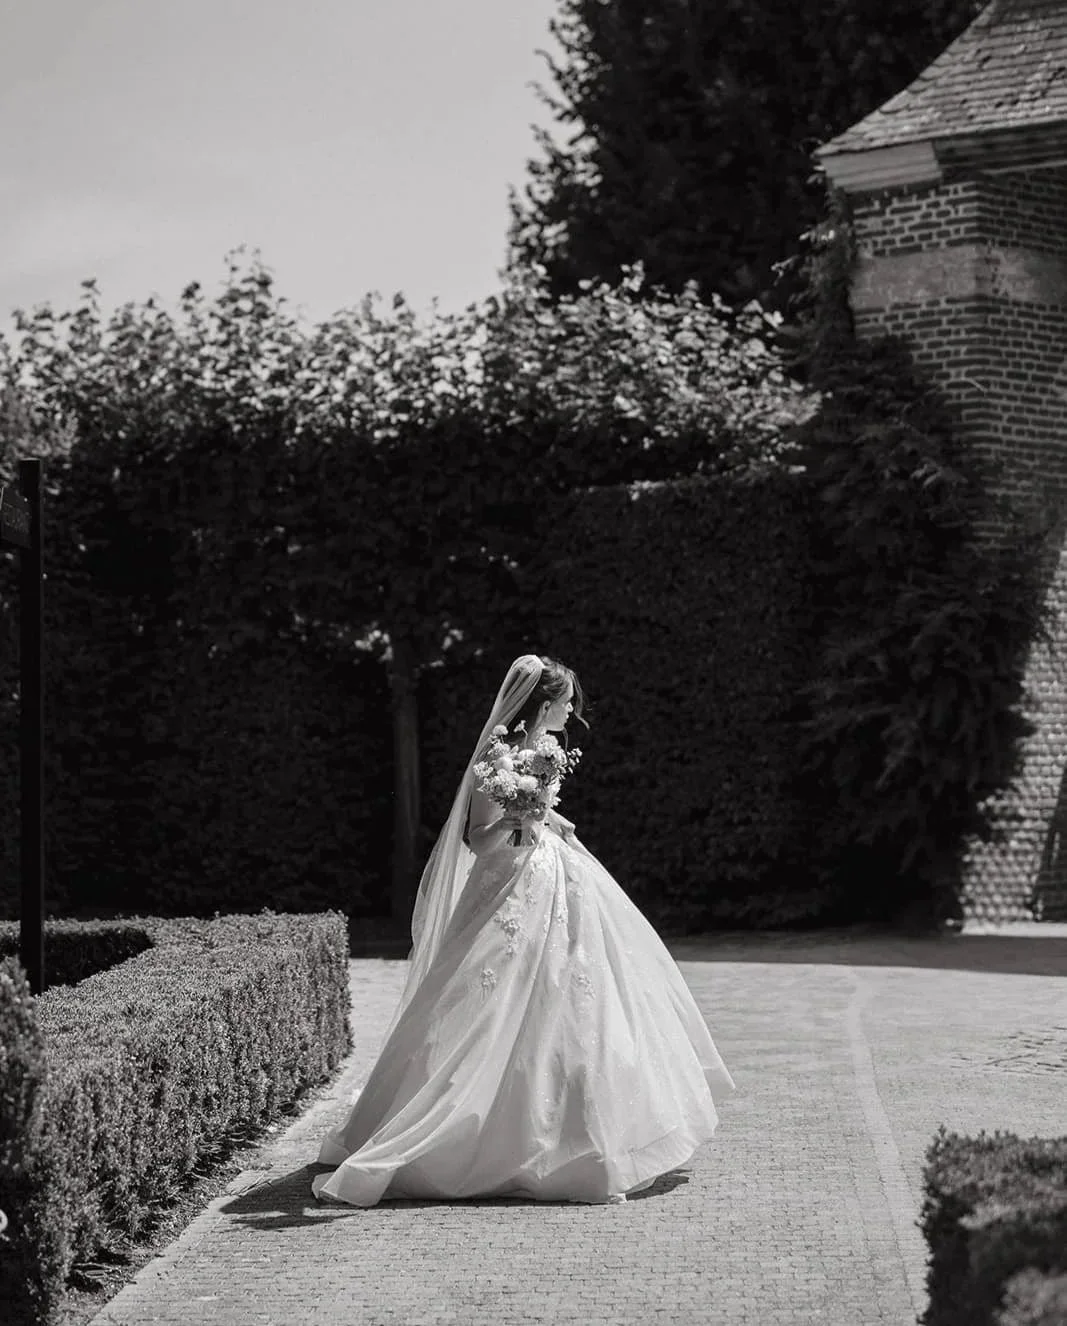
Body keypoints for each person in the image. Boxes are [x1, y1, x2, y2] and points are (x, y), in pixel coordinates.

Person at [311, 654, 734, 1207]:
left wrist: (546, 819)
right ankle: (472, 1135)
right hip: (506, 890)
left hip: (555, 877)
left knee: (577, 1000)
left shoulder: (547, 752)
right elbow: (478, 839)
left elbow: (540, 819)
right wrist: (518, 817)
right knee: (487, 1005)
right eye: (564, 701)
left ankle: (578, 1135)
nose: (571, 710)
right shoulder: (498, 757)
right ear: (541, 703)